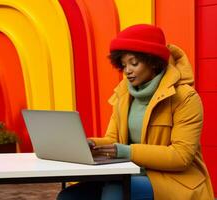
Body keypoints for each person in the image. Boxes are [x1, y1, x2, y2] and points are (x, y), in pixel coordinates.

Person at [57, 24, 214, 200]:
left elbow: (181, 156)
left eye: (134, 63)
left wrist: (127, 151)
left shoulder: (185, 97)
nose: (127, 71)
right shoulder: (124, 93)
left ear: (153, 62)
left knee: (115, 191)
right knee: (69, 196)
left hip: (175, 181)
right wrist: (89, 144)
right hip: (130, 173)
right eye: (123, 65)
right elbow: (114, 140)